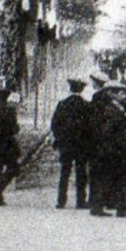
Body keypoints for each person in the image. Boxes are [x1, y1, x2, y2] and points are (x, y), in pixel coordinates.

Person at [88, 81, 126, 218]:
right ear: (113, 94)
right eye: (122, 93)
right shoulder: (111, 110)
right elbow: (108, 131)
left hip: (111, 149)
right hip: (115, 150)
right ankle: (120, 208)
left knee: (107, 178)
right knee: (117, 178)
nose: (125, 96)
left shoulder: (115, 108)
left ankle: (100, 207)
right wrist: (123, 144)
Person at [50, 78, 91, 209]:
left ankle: (61, 201)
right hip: (81, 144)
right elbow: (90, 126)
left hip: (66, 144)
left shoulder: (62, 104)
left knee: (64, 172)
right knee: (81, 173)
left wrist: (59, 138)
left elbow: (55, 124)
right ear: (82, 89)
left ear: (70, 88)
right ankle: (81, 201)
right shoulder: (86, 105)